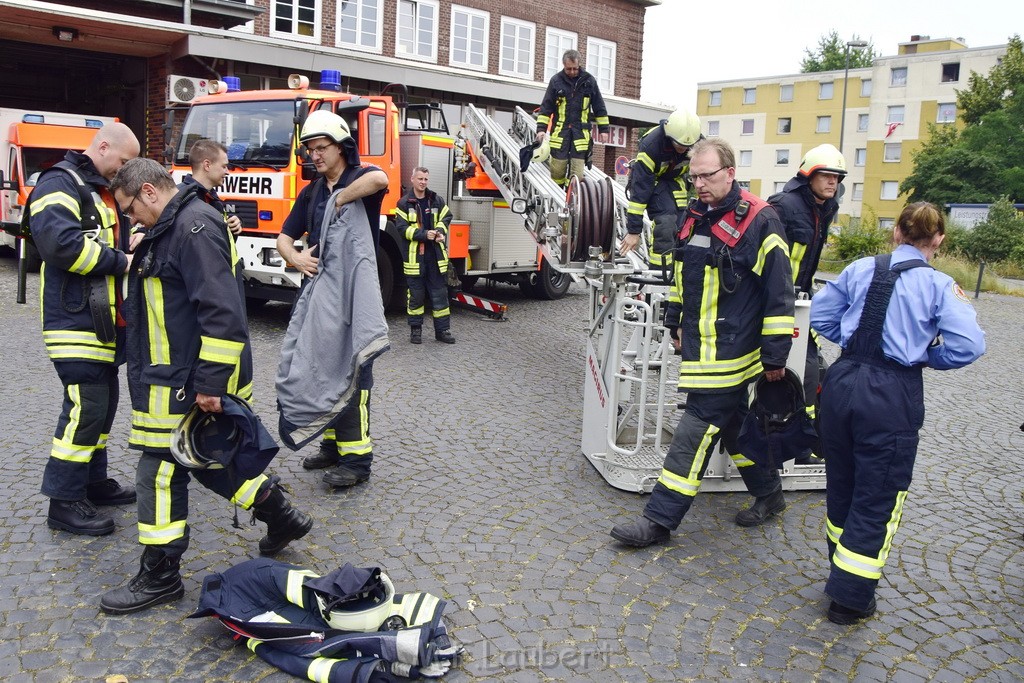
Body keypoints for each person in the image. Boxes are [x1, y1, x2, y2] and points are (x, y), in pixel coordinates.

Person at [99, 159, 313, 614]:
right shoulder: (177, 225)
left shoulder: (192, 227)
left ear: (150, 193)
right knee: (209, 462)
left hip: (183, 379)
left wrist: (211, 383)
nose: (130, 220)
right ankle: (281, 514)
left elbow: (223, 314)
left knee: (157, 472)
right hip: (171, 376)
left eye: (131, 209)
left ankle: (159, 575)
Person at [610, 138, 796, 547]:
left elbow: (780, 293)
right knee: (734, 427)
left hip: (732, 351)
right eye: (693, 176)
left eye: (707, 175)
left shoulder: (761, 220)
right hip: (699, 347)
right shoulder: (693, 214)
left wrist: (775, 356)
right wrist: (674, 318)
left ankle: (659, 521)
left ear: (730, 172)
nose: (698, 184)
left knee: (693, 431)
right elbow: (681, 274)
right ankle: (770, 493)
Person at [810, 202, 985, 625]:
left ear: (897, 233)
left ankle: (841, 569)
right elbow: (969, 345)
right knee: (879, 493)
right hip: (890, 390)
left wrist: (853, 346)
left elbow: (821, 315)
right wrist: (924, 355)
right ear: (938, 239)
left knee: (843, 482)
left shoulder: (859, 268)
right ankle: (850, 599)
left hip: (843, 379)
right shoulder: (940, 285)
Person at [29, 122, 140, 536]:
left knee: (102, 404)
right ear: (104, 146)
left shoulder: (94, 188)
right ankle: (63, 499)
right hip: (74, 321)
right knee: (86, 407)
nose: (123, 171)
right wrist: (121, 260)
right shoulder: (60, 182)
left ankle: (93, 482)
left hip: (100, 323)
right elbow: (60, 245)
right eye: (123, 162)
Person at [275, 109, 389, 488]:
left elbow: (380, 179)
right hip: (322, 293)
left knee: (355, 370)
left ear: (342, 147)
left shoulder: (358, 177)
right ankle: (331, 446)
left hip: (355, 295)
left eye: (322, 148)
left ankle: (358, 461)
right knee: (323, 366)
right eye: (310, 150)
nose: (315, 156)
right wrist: (295, 257)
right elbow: (284, 237)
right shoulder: (309, 193)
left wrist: (340, 199)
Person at [767, 143, 846, 466]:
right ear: (808, 176)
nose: (833, 183)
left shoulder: (825, 209)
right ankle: (795, 447)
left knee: (818, 373)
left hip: (802, 303)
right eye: (826, 176)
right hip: (778, 304)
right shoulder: (784, 206)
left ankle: (811, 442)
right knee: (803, 372)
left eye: (837, 178)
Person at [618, 109, 701, 270]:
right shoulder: (652, 146)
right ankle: (659, 274)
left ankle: (678, 271)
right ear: (669, 136)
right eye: (678, 144)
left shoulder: (698, 144)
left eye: (687, 146)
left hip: (676, 183)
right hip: (652, 181)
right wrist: (634, 231)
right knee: (666, 223)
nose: (683, 150)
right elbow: (640, 192)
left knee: (684, 227)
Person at [396, 167, 455, 344]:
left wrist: (439, 231)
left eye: (426, 179)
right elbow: (401, 229)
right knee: (416, 296)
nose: (423, 182)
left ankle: (442, 331)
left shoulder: (436, 200)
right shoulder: (404, 203)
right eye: (420, 179)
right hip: (415, 260)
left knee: (440, 295)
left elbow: (447, 216)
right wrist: (423, 235)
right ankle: (416, 331)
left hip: (435, 258)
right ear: (412, 179)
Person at [535, 49, 610, 188]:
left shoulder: (589, 81)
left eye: (575, 68)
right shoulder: (556, 81)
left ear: (579, 64)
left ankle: (571, 201)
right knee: (557, 171)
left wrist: (604, 130)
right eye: (569, 69)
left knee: (577, 175)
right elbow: (546, 107)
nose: (572, 72)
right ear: (564, 65)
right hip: (560, 135)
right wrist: (541, 130)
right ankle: (557, 195)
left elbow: (599, 106)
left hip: (580, 136)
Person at [181, 138, 242, 236]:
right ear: (207, 165)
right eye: (224, 166)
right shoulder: (183, 201)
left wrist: (231, 229)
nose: (227, 172)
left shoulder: (212, 200)